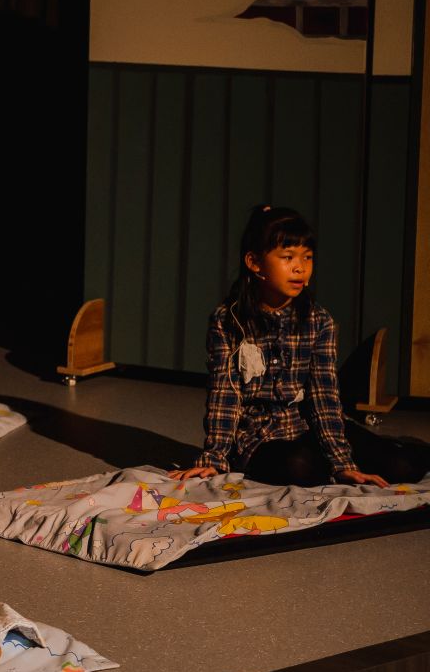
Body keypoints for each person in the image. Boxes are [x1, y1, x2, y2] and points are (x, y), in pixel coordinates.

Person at [169, 205, 428, 488]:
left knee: (403, 466)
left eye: (307, 257)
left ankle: (397, 447)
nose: (300, 267)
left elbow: (323, 396)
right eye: (288, 257)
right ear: (254, 263)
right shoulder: (228, 320)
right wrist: (214, 457)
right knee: (300, 468)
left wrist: (342, 462)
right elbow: (224, 393)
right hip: (259, 436)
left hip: (309, 426)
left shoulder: (318, 320)